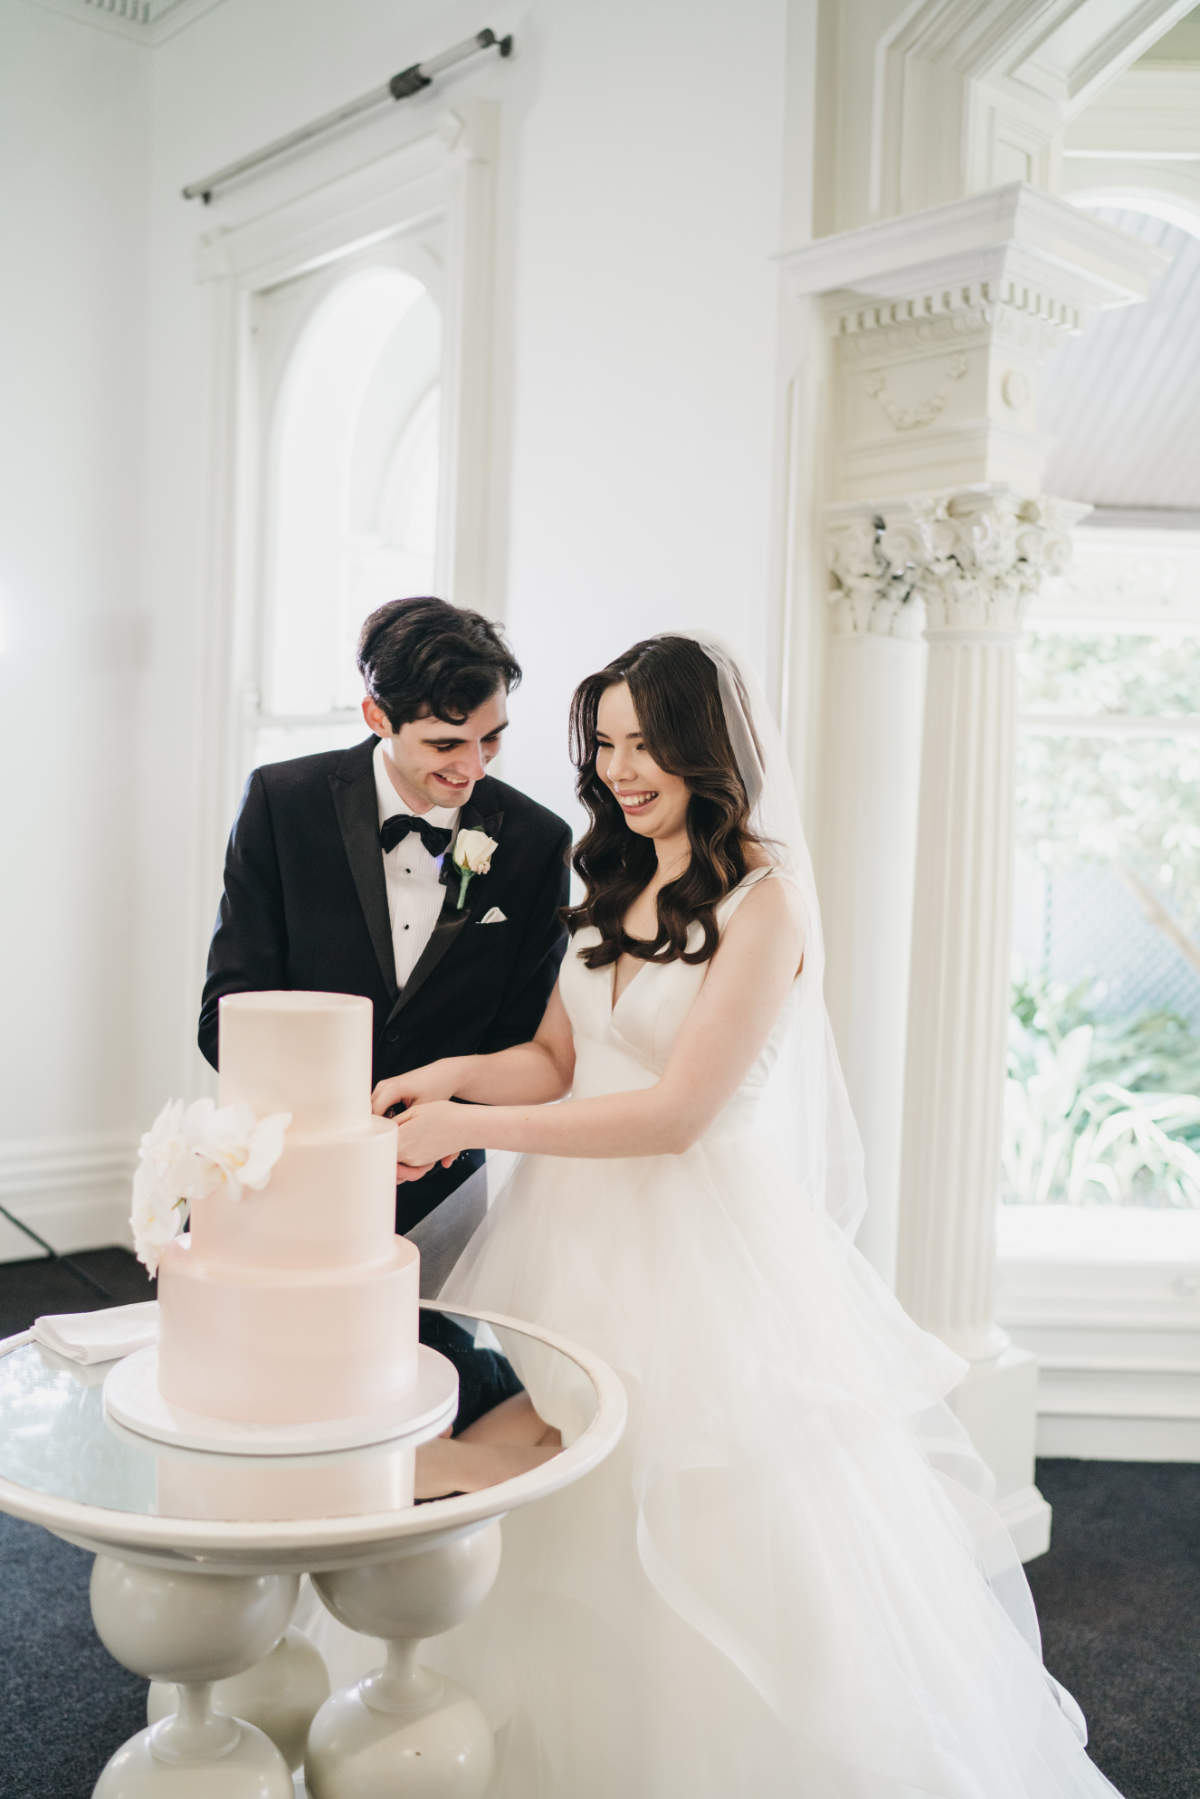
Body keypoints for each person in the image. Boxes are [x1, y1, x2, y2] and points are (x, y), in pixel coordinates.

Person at [343, 631, 1123, 1798]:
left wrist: (468, 1128)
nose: (621, 768)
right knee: (570, 1495)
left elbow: (673, 1114)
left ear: (706, 744)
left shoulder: (768, 899)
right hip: (579, 1234)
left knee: (700, 1504)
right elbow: (561, 1057)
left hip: (694, 1247)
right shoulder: (610, 872)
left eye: (646, 743)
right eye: (603, 744)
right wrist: (450, 1074)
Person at [198, 596, 572, 1415]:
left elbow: (517, 1035)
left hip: (443, 1186)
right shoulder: (281, 804)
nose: (473, 768)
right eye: (446, 742)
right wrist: (345, 1132)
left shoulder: (537, 843)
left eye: (492, 737)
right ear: (378, 715)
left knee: (426, 1413)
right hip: (292, 1174)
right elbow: (228, 1010)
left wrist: (444, 1123)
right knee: (274, 1398)